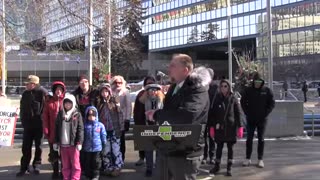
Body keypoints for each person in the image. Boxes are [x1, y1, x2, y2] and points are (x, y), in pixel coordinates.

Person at [146, 54, 211, 180]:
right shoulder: (174, 87)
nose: (169, 69)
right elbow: (171, 112)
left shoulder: (197, 89)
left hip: (186, 151)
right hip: (167, 147)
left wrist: (157, 114)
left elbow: (188, 115)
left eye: (173, 66)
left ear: (185, 70)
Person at [208, 79, 243, 176]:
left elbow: (238, 113)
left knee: (230, 148)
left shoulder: (233, 98)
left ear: (229, 87)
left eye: (225, 86)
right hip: (219, 128)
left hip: (230, 127)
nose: (223, 88)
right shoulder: (217, 98)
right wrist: (211, 127)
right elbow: (212, 114)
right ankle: (217, 166)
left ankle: (229, 167)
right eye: (222, 86)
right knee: (219, 147)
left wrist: (240, 127)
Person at [241, 73, 275, 168]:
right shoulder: (248, 90)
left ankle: (260, 159)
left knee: (261, 139)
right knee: (249, 139)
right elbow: (242, 102)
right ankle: (248, 158)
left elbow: (272, 103)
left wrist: (266, 113)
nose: (257, 83)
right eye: (256, 81)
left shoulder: (267, 91)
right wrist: (247, 112)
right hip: (251, 119)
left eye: (259, 82)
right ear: (253, 82)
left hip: (262, 119)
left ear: (262, 82)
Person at [16, 75, 48, 177]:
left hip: (39, 126)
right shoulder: (25, 94)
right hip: (28, 126)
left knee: (39, 147)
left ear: (33, 84)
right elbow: (22, 109)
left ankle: (36, 166)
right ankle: (24, 167)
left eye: (28, 83)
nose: (26, 85)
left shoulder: (43, 93)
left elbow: (47, 108)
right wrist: (23, 121)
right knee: (26, 147)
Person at [53, 94, 84, 180]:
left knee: (75, 164)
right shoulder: (60, 114)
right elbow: (56, 128)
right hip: (63, 144)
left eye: (69, 103)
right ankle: (66, 177)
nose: (67, 105)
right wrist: (56, 141)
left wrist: (79, 142)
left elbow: (80, 129)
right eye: (65, 103)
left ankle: (75, 178)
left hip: (73, 144)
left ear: (73, 104)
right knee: (65, 164)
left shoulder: (77, 114)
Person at [96, 83, 124, 177]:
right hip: (104, 131)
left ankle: (117, 167)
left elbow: (120, 115)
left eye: (106, 91)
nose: (104, 93)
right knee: (105, 150)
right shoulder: (99, 104)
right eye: (103, 91)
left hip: (115, 129)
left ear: (109, 92)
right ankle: (108, 167)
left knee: (116, 150)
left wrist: (121, 127)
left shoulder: (114, 102)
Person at [72, 74, 98, 171]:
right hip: (80, 123)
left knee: (93, 146)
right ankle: (82, 168)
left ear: (89, 82)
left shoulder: (95, 93)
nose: (84, 84)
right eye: (81, 82)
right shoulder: (75, 94)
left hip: (92, 123)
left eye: (86, 81)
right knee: (81, 146)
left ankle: (94, 168)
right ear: (79, 84)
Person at [140, 83, 164, 177]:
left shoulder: (162, 100)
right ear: (147, 92)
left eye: (155, 90)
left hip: (160, 126)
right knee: (148, 148)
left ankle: (158, 167)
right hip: (148, 126)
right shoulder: (144, 101)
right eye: (151, 90)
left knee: (159, 149)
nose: (153, 92)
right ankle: (149, 168)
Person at [43, 81, 66, 179]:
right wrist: (46, 130)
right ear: (54, 91)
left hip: (64, 133)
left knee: (64, 154)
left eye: (60, 90)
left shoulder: (66, 101)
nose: (58, 92)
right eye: (57, 90)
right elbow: (45, 118)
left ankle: (64, 172)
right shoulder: (49, 103)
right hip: (52, 133)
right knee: (53, 153)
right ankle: (55, 171)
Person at [133, 76, 156, 166]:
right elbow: (136, 110)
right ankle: (142, 158)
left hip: (155, 123)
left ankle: (155, 162)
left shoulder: (159, 93)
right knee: (142, 142)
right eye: (148, 83)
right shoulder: (140, 94)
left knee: (155, 144)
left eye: (151, 83)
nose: (150, 85)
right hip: (143, 122)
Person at [111, 76, 132, 161]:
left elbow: (128, 107)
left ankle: (121, 158)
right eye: (116, 83)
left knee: (121, 140)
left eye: (120, 83)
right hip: (112, 119)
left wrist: (127, 119)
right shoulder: (111, 92)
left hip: (122, 119)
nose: (118, 84)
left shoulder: (125, 92)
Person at [83, 106, 107, 180]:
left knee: (96, 162)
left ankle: (95, 175)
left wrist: (104, 145)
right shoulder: (85, 126)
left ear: (96, 115)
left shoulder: (100, 125)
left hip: (97, 148)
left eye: (93, 115)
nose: (91, 117)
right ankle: (87, 175)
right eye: (89, 115)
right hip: (87, 148)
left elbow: (103, 135)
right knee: (87, 162)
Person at [203, 68, 217, 165]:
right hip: (203, 116)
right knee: (203, 137)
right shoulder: (202, 86)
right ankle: (204, 156)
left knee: (211, 136)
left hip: (212, 116)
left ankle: (212, 156)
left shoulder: (215, 87)